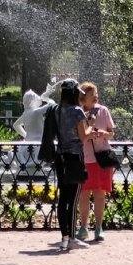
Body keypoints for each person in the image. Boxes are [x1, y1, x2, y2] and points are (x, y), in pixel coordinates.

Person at [74, 81, 116, 244]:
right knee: (83, 194)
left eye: (96, 93)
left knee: (100, 193)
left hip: (101, 158)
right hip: (85, 158)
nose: (96, 96)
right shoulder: (78, 113)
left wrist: (104, 134)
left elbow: (111, 133)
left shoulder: (103, 111)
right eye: (92, 95)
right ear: (84, 97)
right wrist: (88, 134)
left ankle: (99, 227)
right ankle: (83, 227)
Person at [51, 79, 86, 252]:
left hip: (60, 157)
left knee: (63, 198)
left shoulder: (56, 110)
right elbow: (84, 136)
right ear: (73, 93)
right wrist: (91, 125)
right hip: (75, 157)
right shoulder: (77, 111)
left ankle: (64, 236)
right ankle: (72, 237)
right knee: (73, 198)